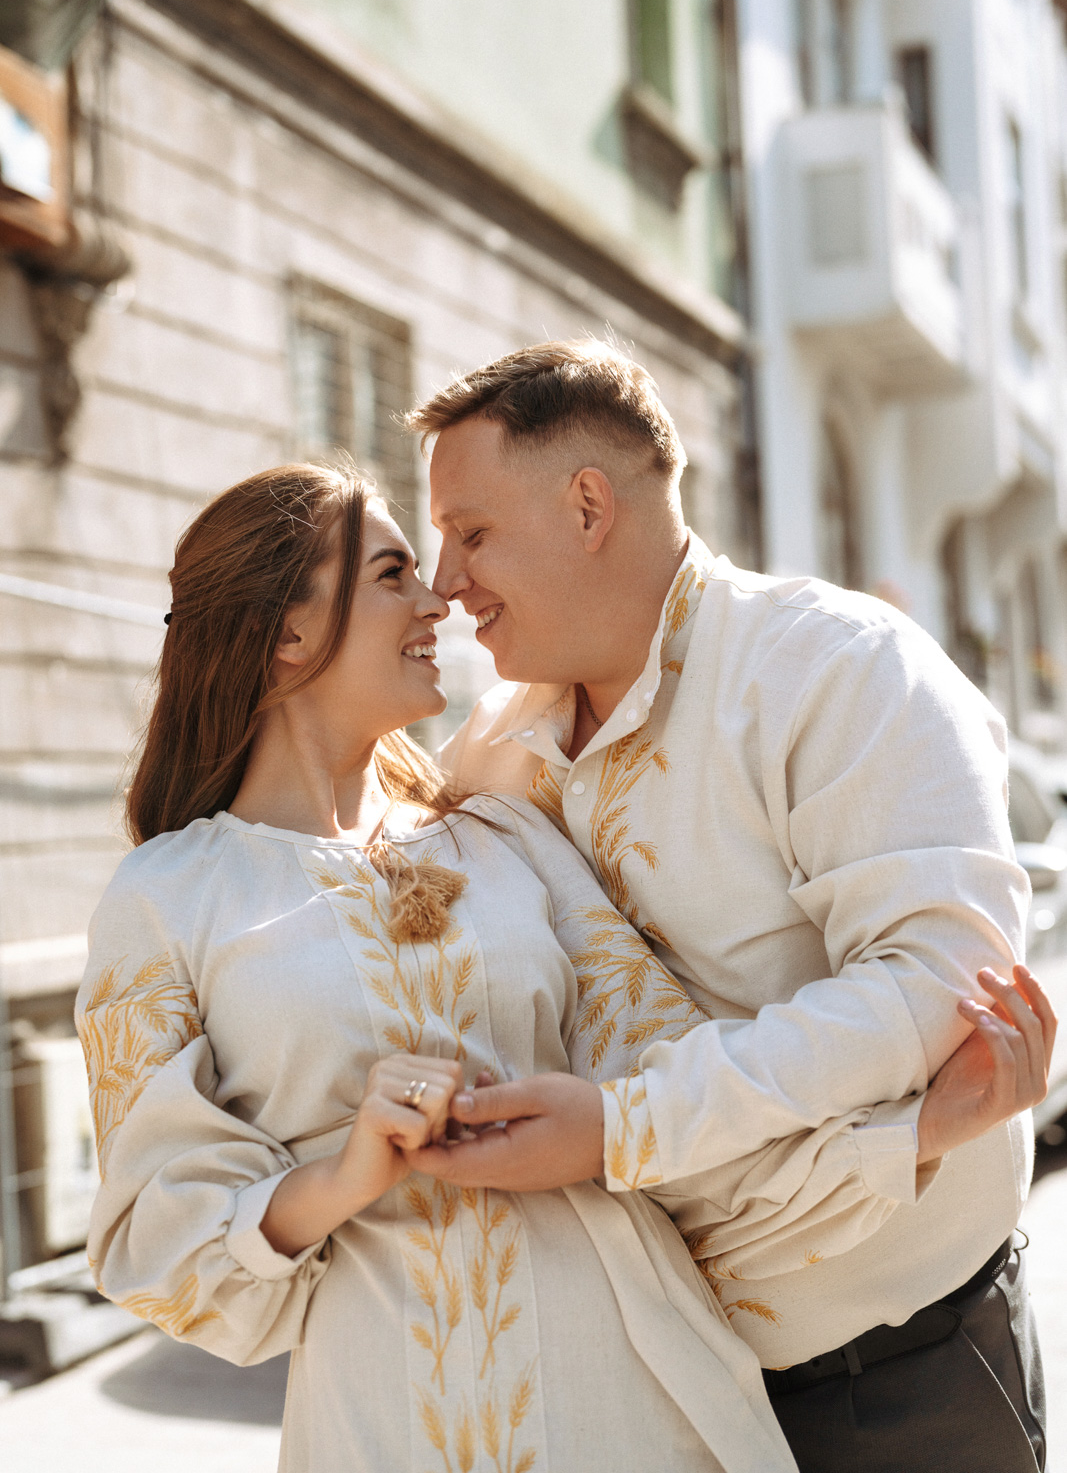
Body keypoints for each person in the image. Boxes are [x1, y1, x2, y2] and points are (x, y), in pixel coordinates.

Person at [77, 463, 1049, 1473]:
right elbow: (155, 1244)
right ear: (286, 633)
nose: (436, 599)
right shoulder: (166, 898)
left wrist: (908, 1137)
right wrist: (342, 1176)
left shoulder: (503, 834)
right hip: (385, 1418)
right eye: (392, 574)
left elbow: (660, 1091)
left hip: (634, 1390)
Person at [407, 340, 1055, 1473]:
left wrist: (623, 1127)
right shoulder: (493, 748)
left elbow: (933, 989)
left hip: (893, 1376)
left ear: (587, 506)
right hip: (636, 1389)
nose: (442, 581)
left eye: (470, 532)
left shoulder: (838, 669)